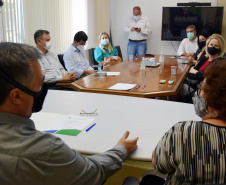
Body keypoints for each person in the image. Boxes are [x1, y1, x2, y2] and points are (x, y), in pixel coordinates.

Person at [0, 42, 139, 185]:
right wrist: (120, 150)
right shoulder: (45, 150)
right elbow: (92, 172)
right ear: (16, 96)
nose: (43, 89)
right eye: (39, 84)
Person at [151, 59, 226, 184]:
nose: (199, 93)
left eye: (201, 88)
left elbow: (159, 165)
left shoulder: (183, 132)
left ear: (213, 97)